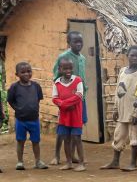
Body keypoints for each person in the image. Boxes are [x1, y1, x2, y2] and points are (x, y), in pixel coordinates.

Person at [101, 46, 137, 171]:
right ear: (127, 56)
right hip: (122, 110)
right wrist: (115, 108)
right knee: (119, 135)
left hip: (134, 111)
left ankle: (133, 163)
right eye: (133, 55)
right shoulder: (122, 71)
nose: (135, 58)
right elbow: (118, 90)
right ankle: (115, 161)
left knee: (134, 137)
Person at [52, 31, 87, 166]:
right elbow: (57, 77)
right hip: (64, 100)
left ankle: (71, 156)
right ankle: (56, 155)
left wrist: (82, 93)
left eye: (80, 41)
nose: (78, 44)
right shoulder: (64, 57)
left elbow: (82, 79)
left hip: (79, 99)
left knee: (75, 127)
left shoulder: (82, 58)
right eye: (75, 41)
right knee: (63, 128)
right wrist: (63, 99)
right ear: (69, 42)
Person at [7, 61, 47, 170]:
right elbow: (10, 100)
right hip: (21, 120)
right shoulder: (14, 87)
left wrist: (32, 109)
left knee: (36, 141)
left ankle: (38, 161)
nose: (26, 74)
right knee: (20, 141)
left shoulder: (36, 86)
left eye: (29, 71)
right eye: (23, 72)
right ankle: (20, 162)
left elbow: (38, 99)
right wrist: (18, 109)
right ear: (17, 74)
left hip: (34, 119)